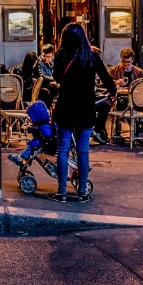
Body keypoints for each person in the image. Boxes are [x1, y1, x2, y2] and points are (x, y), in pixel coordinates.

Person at [45, 23, 115, 203]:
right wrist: (113, 93)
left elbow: (57, 78)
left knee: (63, 149)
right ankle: (82, 192)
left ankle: (61, 192)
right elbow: (106, 78)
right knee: (83, 151)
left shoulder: (61, 55)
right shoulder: (91, 55)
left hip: (66, 107)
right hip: (86, 109)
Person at [96, 48, 143, 144]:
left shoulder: (139, 72)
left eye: (128, 62)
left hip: (135, 100)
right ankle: (139, 131)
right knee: (123, 102)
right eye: (123, 61)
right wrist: (115, 83)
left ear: (133, 60)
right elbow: (105, 84)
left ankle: (138, 130)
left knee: (138, 106)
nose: (126, 64)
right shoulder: (114, 70)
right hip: (119, 98)